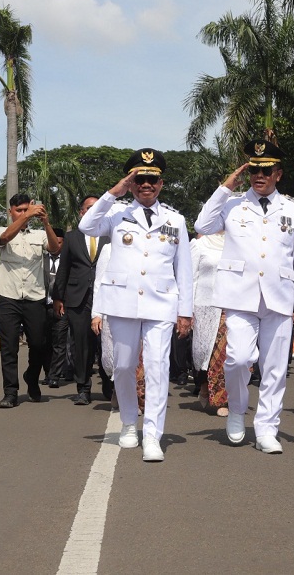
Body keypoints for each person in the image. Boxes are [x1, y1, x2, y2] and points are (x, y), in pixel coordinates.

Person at [195, 140, 294, 454]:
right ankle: (237, 410)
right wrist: (225, 187)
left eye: (265, 170)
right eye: (253, 169)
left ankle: (267, 428)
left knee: (275, 366)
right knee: (237, 359)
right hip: (239, 295)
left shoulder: (293, 209)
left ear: (278, 173)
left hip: (278, 295)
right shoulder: (233, 204)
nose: (258, 175)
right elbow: (202, 225)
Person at [78, 149, 193, 462]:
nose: (146, 185)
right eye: (140, 178)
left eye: (152, 179)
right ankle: (129, 421)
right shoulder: (115, 214)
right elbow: (86, 226)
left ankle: (153, 435)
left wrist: (186, 310)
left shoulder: (175, 219)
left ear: (161, 183)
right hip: (123, 303)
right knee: (124, 366)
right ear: (131, 182)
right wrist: (115, 190)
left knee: (158, 368)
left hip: (161, 303)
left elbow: (184, 268)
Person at [0, 193, 60, 408]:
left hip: (35, 295)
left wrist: (46, 222)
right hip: (8, 295)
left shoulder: (38, 234)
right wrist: (28, 214)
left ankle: (32, 377)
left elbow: (55, 248)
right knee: (9, 346)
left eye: (26, 210)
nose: (23, 214)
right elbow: (4, 239)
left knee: (39, 344)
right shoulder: (1, 231)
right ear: (10, 211)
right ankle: (10, 392)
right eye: (19, 210)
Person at [54, 196, 110, 405]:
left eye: (97, 208)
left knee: (107, 343)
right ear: (81, 213)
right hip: (79, 299)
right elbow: (64, 268)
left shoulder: (111, 234)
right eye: (89, 208)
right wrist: (58, 297)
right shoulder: (72, 237)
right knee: (82, 345)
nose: (93, 211)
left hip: (106, 298)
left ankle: (108, 382)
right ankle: (83, 387)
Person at [190, 232, 230, 416]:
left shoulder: (237, 242)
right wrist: (186, 310)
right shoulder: (199, 244)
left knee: (225, 353)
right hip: (204, 306)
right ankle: (205, 384)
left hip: (230, 305)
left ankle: (222, 400)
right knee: (206, 352)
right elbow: (191, 279)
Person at [44, 227, 70, 388]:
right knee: (43, 343)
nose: (57, 246)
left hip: (62, 307)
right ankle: (47, 372)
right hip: (42, 305)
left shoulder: (69, 261)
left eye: (60, 242)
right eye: (54, 242)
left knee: (60, 342)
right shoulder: (40, 259)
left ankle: (54, 375)